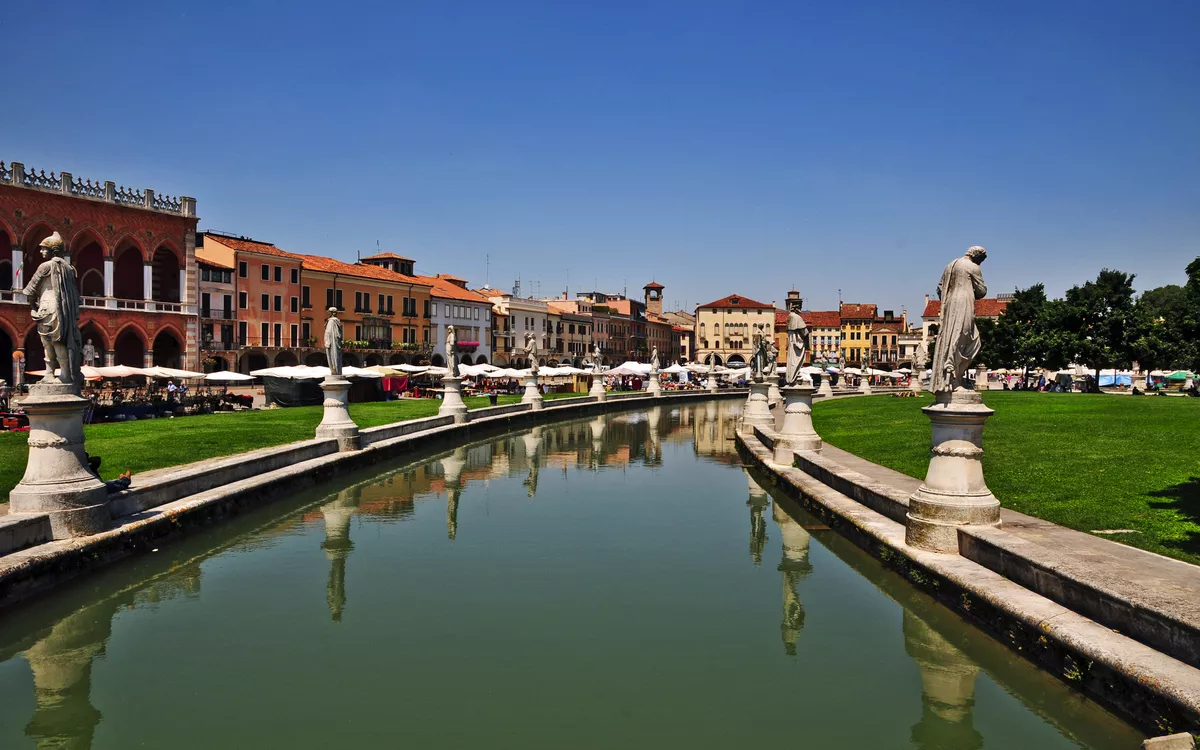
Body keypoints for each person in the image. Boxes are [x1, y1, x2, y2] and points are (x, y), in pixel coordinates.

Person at [930, 246, 989, 394]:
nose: (980, 263)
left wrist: (949, 297)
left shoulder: (950, 265)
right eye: (981, 260)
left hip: (950, 303)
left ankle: (953, 378)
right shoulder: (973, 267)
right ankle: (954, 380)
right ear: (977, 256)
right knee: (965, 339)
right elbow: (982, 291)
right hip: (964, 302)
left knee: (951, 337)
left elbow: (939, 287)